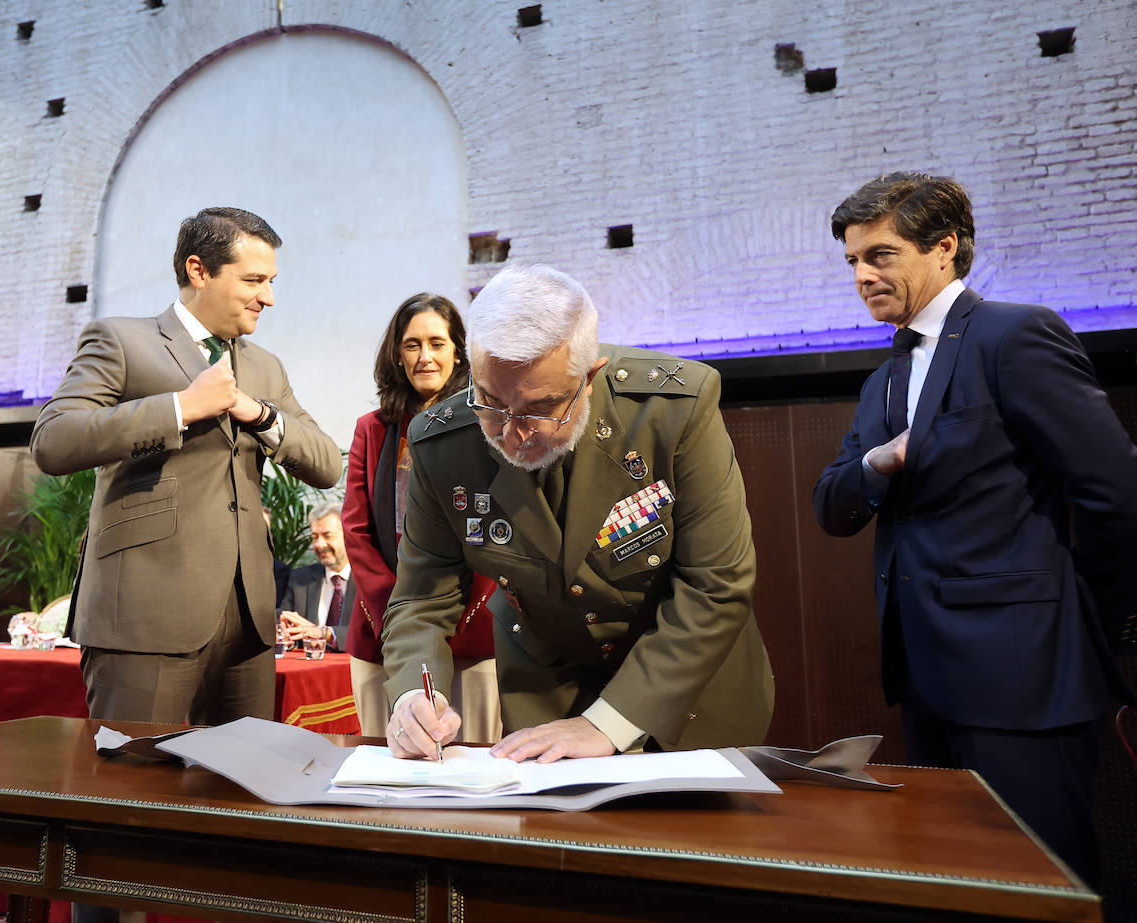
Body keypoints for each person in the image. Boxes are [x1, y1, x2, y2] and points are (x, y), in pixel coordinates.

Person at [812, 172, 1137, 886]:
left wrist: (1092, 629)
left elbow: (1116, 491)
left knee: (1043, 885)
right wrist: (877, 461)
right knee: (961, 884)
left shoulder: (1015, 334)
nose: (862, 275)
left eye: (880, 255)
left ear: (945, 247)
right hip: (922, 680)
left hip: (1026, 680)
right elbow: (832, 506)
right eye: (853, 260)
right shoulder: (882, 379)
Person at [381, 264, 774, 763]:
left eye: (541, 408)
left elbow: (716, 584)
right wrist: (414, 696)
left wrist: (607, 723)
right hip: (547, 697)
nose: (512, 434)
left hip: (689, 696)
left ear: (589, 377)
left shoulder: (672, 410)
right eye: (491, 403)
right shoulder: (443, 443)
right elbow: (421, 596)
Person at [30, 207, 341, 728]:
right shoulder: (121, 341)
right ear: (199, 271)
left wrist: (259, 413)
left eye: (271, 282)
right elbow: (53, 440)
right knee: (137, 771)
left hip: (248, 623)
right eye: (254, 281)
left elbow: (327, 463)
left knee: (241, 776)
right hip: (145, 616)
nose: (268, 297)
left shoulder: (266, 367)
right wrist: (180, 408)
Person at [342, 293, 499, 741]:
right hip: (381, 623)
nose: (424, 356)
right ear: (397, 354)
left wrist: (455, 611)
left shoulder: (486, 424)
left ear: (458, 352)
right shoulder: (372, 429)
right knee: (390, 757)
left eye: (436, 343)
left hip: (474, 626)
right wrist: (399, 614)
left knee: (475, 762)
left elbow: (495, 527)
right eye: (412, 345)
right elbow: (356, 530)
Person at [279, 502, 356, 651]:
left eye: (327, 536)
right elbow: (283, 621)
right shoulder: (300, 579)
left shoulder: (368, 581)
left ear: (348, 535)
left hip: (354, 664)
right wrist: (287, 635)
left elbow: (374, 632)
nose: (319, 544)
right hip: (309, 663)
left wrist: (325, 633)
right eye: (315, 537)